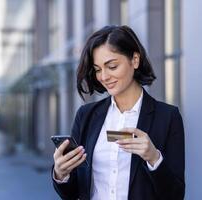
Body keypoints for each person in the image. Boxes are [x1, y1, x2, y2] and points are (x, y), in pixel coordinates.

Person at [51, 25, 185, 200]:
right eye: (98, 69)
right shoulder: (86, 116)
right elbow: (73, 192)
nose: (104, 77)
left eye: (112, 66)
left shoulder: (167, 117)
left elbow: (175, 195)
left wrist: (154, 158)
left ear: (135, 60)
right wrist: (61, 174)